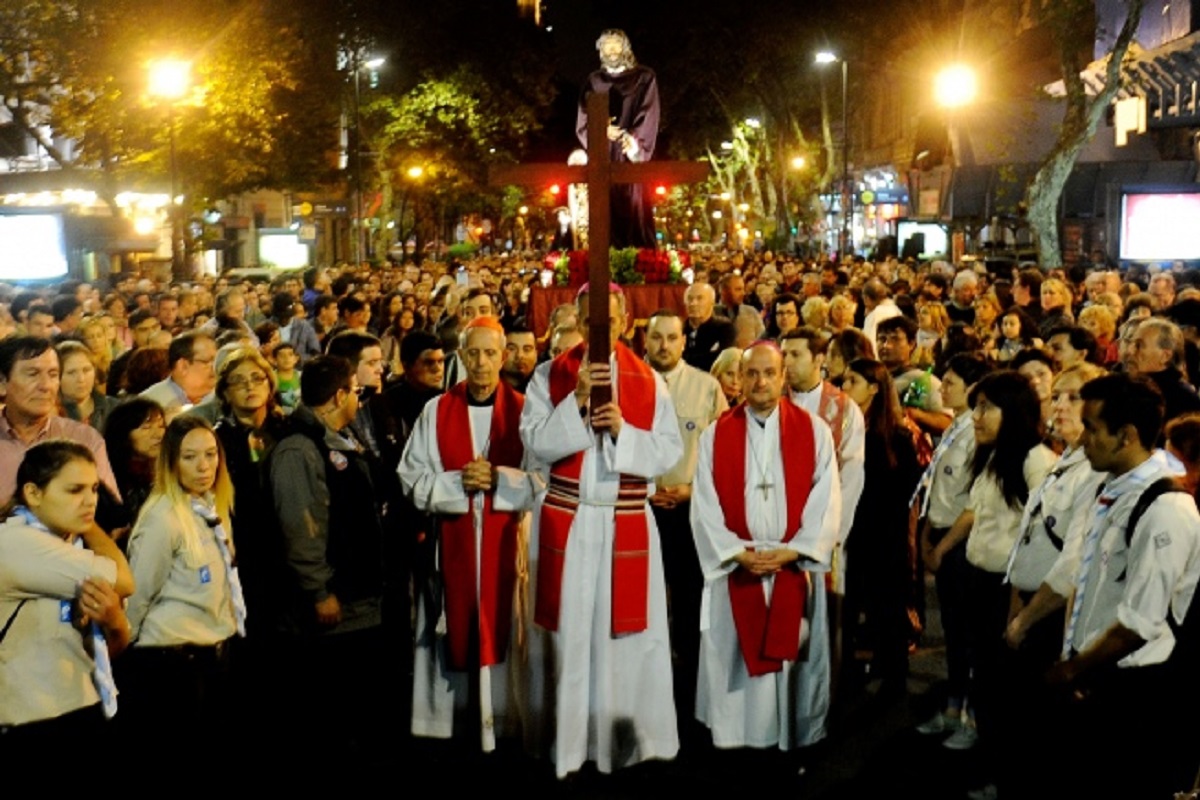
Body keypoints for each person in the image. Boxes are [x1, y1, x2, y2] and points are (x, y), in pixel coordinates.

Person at [520, 282, 683, 778]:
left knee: (625, 639)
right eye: (588, 321)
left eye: (608, 321)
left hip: (624, 520)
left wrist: (621, 432)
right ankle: (568, 747)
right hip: (568, 521)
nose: (598, 330)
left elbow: (668, 451)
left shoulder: (649, 382)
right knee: (567, 633)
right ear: (575, 320)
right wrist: (575, 403)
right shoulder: (550, 375)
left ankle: (621, 741)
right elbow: (533, 445)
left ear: (624, 324)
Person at [1010, 374, 1200, 797]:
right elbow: (1085, 579)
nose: (1082, 439)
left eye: (1093, 428)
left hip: (1132, 690)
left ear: (1126, 435)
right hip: (1094, 678)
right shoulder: (1110, 488)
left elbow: (1140, 622)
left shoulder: (1165, 508)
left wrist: (1071, 669)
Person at [399, 316, 541, 750]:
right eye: (473, 353)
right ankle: (454, 724)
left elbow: (543, 480)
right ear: (461, 356)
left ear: (503, 356)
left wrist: (500, 480)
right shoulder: (437, 411)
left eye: (490, 353)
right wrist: (457, 483)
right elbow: (410, 477)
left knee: (506, 628)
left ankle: (505, 721)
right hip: (453, 545)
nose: (481, 363)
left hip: (505, 544)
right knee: (452, 635)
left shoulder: (526, 411)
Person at [690, 341, 840, 752]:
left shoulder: (813, 431)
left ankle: (789, 736)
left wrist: (796, 550)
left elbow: (827, 498)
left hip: (791, 566)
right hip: (738, 565)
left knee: (791, 663)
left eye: (768, 373)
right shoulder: (716, 434)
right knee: (735, 657)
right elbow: (703, 504)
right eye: (751, 373)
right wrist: (735, 552)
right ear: (739, 378)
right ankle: (735, 737)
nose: (760, 382)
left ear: (783, 376)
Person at [927, 371, 1055, 764]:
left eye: (986, 407)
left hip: (1006, 589)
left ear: (1013, 410)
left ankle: (999, 766)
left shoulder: (1036, 461)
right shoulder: (997, 454)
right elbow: (976, 510)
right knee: (979, 666)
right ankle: (981, 743)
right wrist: (943, 549)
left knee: (1001, 681)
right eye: (975, 406)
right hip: (980, 579)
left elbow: (1037, 535)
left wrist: (1019, 602)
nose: (976, 416)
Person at [268, 355, 387, 755]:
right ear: (339, 396)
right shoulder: (299, 448)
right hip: (335, 608)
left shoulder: (337, 437)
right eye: (355, 391)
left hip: (358, 597)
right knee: (334, 712)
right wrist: (319, 590)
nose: (358, 399)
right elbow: (302, 526)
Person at [0, 441, 132, 759]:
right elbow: (126, 580)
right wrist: (94, 528)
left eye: (94, 489)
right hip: (32, 726)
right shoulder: (16, 543)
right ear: (33, 493)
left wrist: (113, 622)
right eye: (74, 491)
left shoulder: (70, 548)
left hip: (83, 710)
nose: (89, 501)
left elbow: (105, 649)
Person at [120, 416, 243, 755]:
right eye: (189, 457)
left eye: (210, 454)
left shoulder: (213, 506)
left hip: (214, 654)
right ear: (171, 461)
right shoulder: (163, 516)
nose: (204, 466)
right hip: (172, 666)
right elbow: (138, 593)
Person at [644, 308, 728, 722]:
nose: (664, 345)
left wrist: (692, 492)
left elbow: (724, 456)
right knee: (642, 603)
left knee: (690, 601)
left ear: (683, 341)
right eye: (656, 337)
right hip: (636, 512)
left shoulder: (706, 386)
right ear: (645, 339)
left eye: (672, 338)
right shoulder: (627, 384)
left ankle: (690, 690)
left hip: (688, 513)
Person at [913, 354, 990, 740]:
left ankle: (970, 718)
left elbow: (974, 502)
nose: (942, 387)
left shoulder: (976, 434)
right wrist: (927, 535)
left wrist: (941, 547)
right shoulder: (958, 425)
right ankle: (952, 706)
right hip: (940, 533)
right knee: (954, 633)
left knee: (968, 635)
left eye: (951, 382)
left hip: (958, 544)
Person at [840, 358, 923, 695]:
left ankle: (893, 675)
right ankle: (848, 670)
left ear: (874, 388)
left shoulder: (895, 436)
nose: (844, 389)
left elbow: (906, 488)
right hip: (851, 531)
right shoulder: (843, 429)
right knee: (848, 604)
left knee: (885, 608)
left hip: (882, 534)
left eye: (852, 382)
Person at [0, 336, 120, 507]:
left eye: (53, 374)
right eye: (33, 374)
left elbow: (110, 517)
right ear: (2, 383)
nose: (46, 385)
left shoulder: (84, 439)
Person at [577, 29, 660, 249]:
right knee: (604, 211)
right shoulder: (594, 81)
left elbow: (649, 111)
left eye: (616, 44)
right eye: (606, 45)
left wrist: (632, 139)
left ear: (625, 48)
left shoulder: (644, 77)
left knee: (635, 207)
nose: (612, 50)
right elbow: (584, 116)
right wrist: (601, 130)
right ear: (600, 49)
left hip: (629, 154)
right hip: (603, 159)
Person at [139, 331, 218, 421]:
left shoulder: (224, 398)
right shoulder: (149, 404)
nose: (215, 367)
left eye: (217, 360)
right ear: (182, 366)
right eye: (207, 361)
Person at [57, 341, 119, 433]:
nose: (81, 379)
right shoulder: (49, 415)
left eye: (86, 370)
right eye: (71, 373)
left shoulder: (115, 408)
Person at [682, 283, 735, 372]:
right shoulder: (679, 329)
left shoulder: (724, 328)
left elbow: (720, 361)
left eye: (699, 298)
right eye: (690, 299)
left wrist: (686, 359)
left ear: (712, 302)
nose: (693, 303)